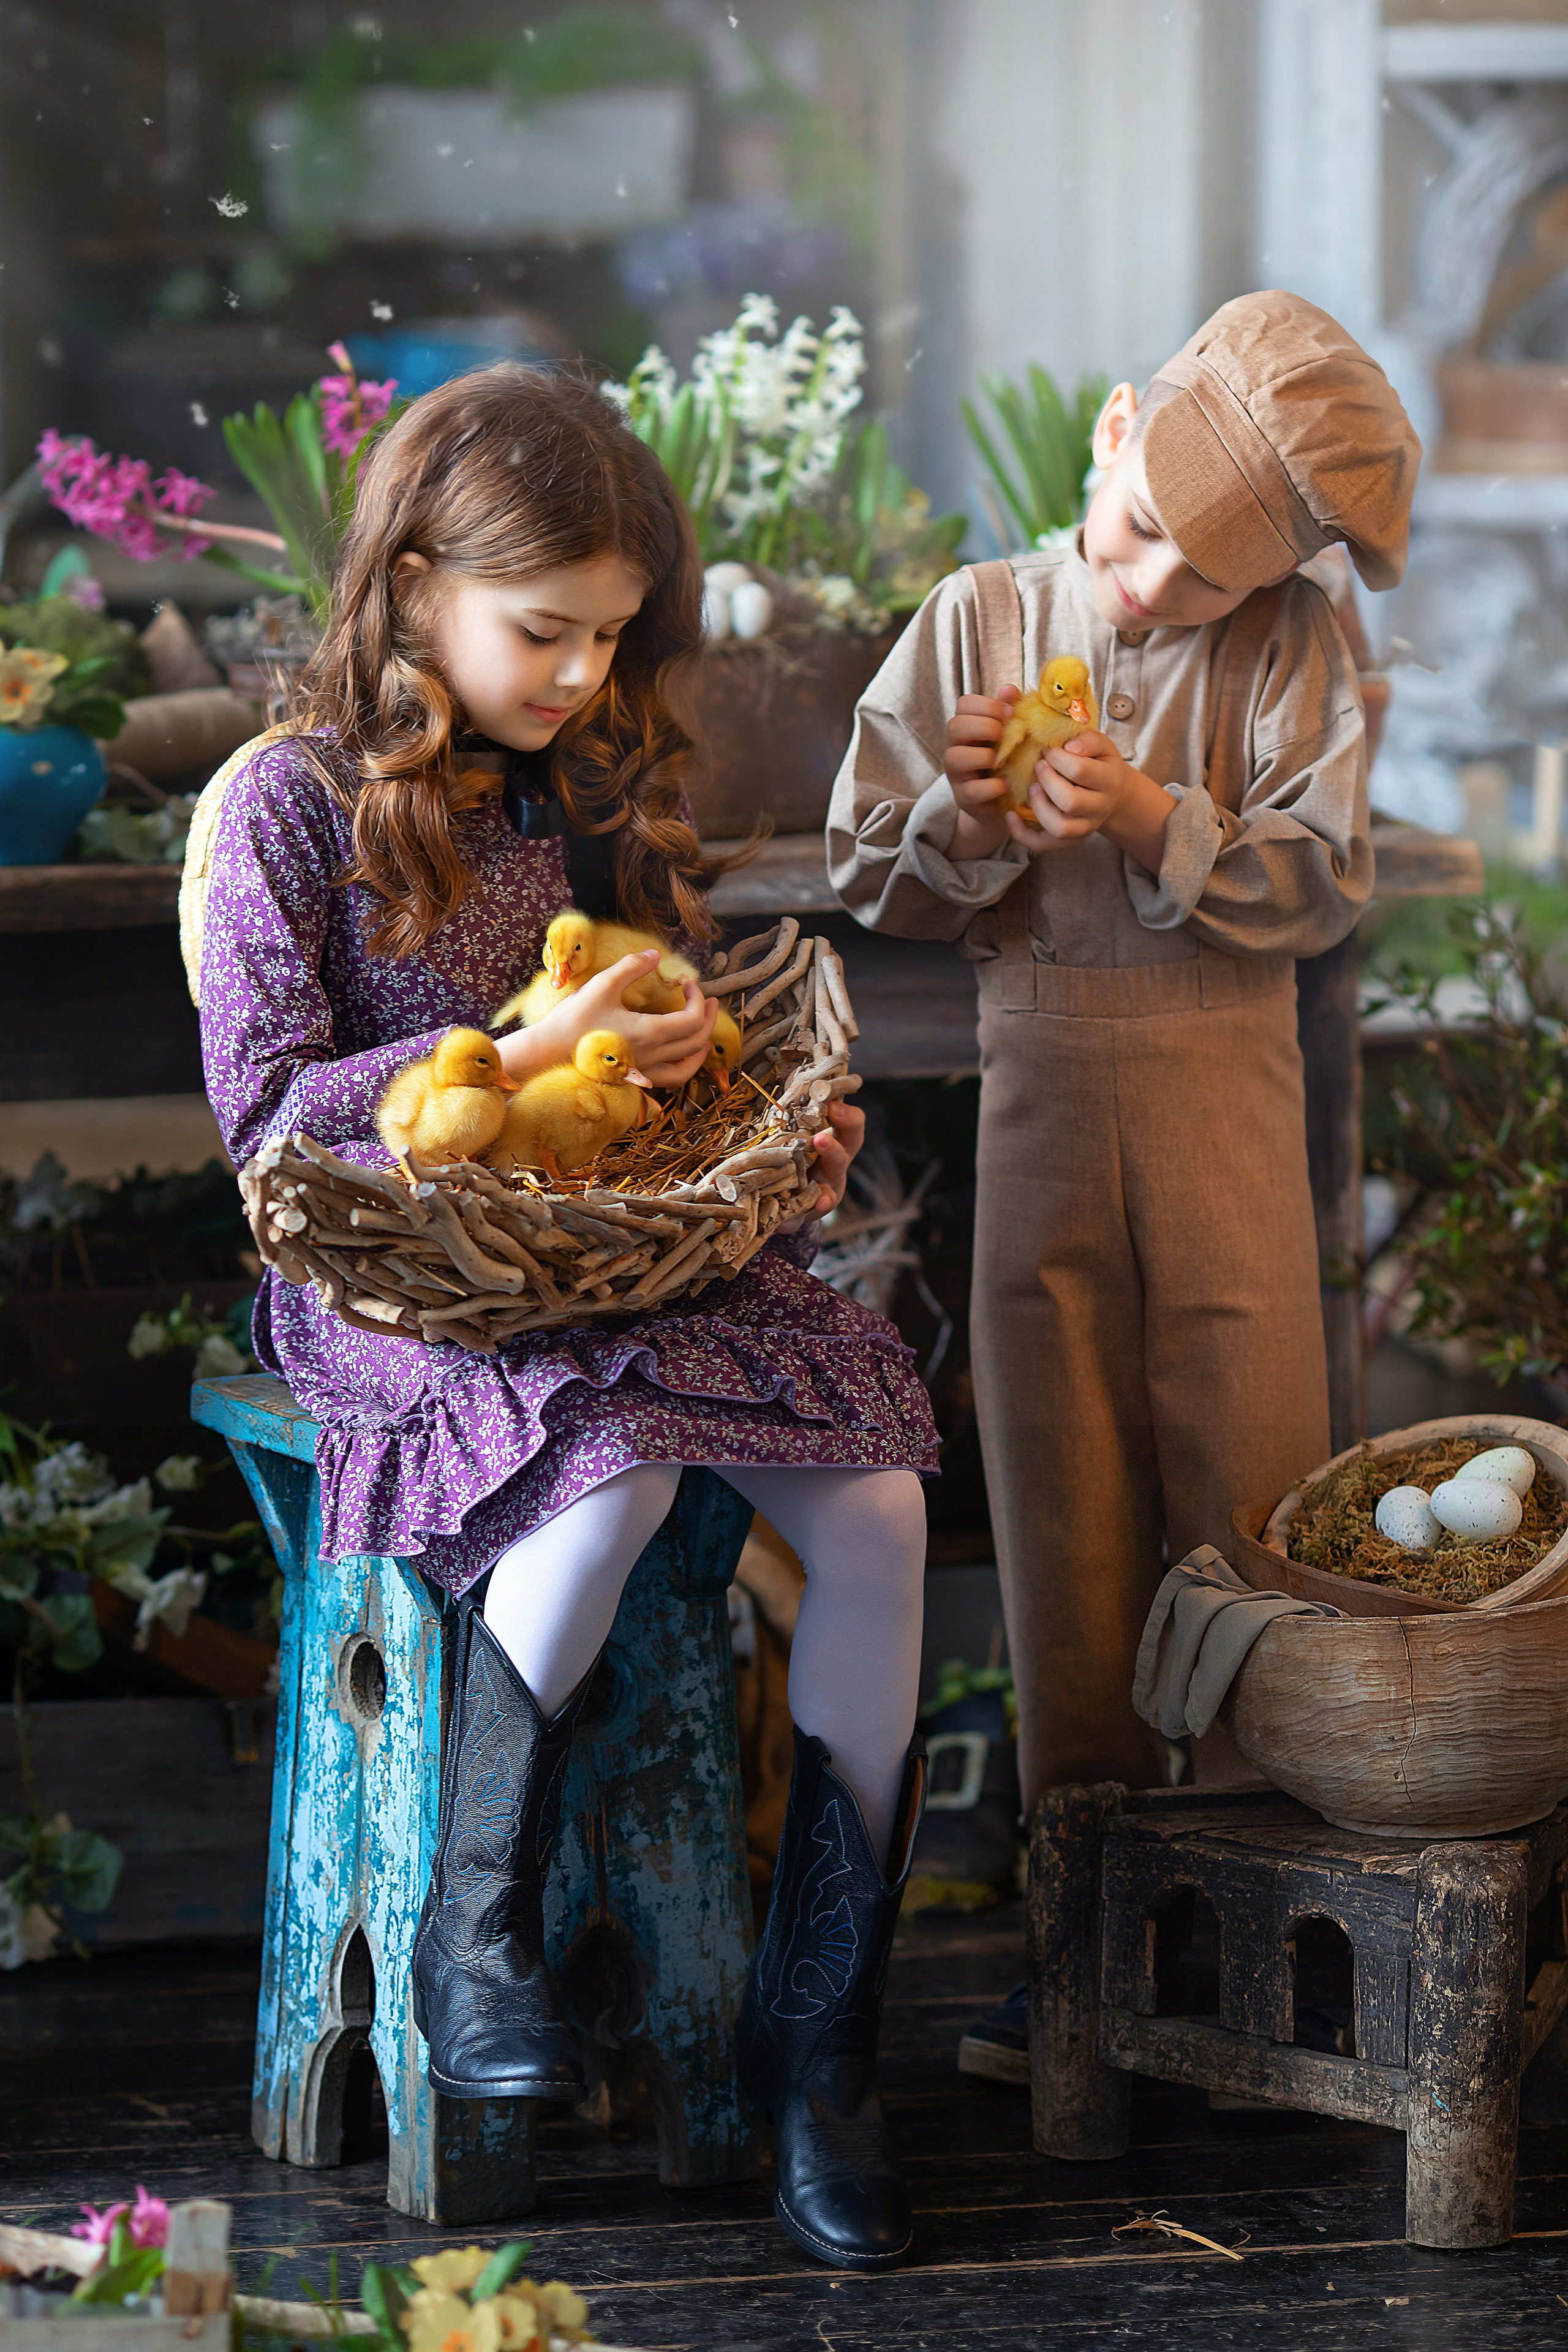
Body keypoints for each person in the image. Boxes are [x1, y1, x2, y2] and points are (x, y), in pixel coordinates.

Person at [197, 365, 939, 2272]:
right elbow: (269, 1125)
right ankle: (478, 1927)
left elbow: (650, 1056)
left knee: (879, 1500)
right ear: (415, 579)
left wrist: (745, 1102)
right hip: (396, 1284)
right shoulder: (282, 807)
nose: (582, 675)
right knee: (603, 1478)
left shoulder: (583, 785)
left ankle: (821, 2048)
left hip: (607, 1257)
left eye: (612, 637)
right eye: (545, 630)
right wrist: (503, 1050)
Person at [827, 292, 1419, 2071]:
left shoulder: (1295, 646)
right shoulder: (981, 622)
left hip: (1228, 1097)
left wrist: (1156, 817)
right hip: (1042, 1116)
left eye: (1209, 582)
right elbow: (866, 867)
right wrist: (972, 817)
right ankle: (1083, 1947)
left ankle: (1263, 1947)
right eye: (1148, 535)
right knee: (1066, 1510)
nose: (1156, 591)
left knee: (1253, 1503)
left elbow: (1326, 887)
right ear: (1108, 435)